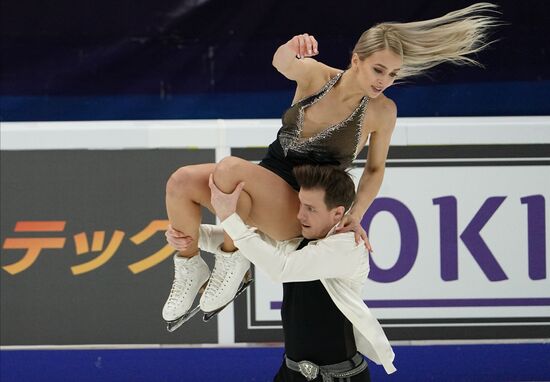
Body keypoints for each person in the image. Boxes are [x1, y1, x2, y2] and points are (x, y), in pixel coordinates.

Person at [161, 3, 499, 326]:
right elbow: (282, 62)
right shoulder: (315, 76)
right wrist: (291, 46)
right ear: (356, 60)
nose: (384, 81)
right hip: (266, 182)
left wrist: (356, 214)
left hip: (302, 203)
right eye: (378, 69)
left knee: (229, 169)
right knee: (180, 182)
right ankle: (189, 267)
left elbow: (375, 169)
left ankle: (232, 262)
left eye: (393, 74)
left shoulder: (383, 111)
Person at [168, 165, 396, 380]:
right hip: (292, 371)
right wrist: (185, 235)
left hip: (336, 377)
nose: (300, 215)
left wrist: (230, 217)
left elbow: (281, 269)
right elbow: (243, 239)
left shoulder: (348, 246)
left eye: (311, 209)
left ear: (337, 214)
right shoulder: (302, 237)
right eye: (300, 205)